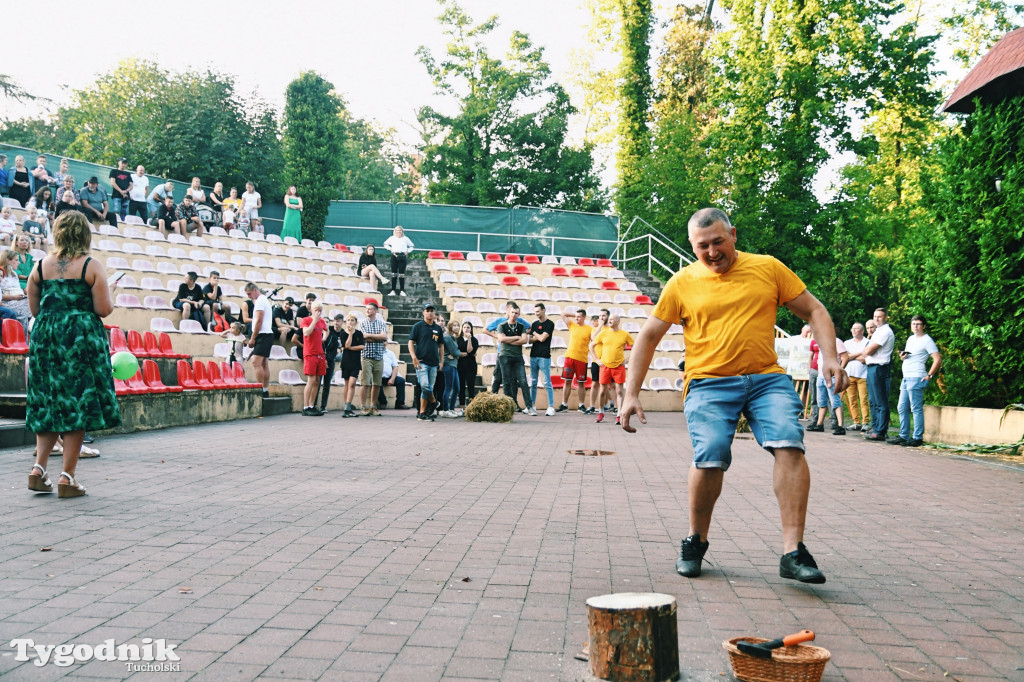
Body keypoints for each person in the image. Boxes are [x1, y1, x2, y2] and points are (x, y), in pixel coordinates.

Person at [620, 207, 847, 584]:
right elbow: (647, 336)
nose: (711, 252)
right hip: (709, 382)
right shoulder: (681, 282)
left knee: (789, 443)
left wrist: (831, 358)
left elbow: (814, 310)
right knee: (710, 455)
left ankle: (793, 552)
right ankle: (696, 540)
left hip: (765, 380)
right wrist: (631, 394)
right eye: (702, 246)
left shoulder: (768, 268)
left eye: (718, 242)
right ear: (693, 246)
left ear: (734, 235)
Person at [26, 210, 121, 499]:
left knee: (48, 401)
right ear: (84, 235)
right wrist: (112, 293)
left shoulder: (40, 266)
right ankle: (67, 477)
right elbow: (103, 310)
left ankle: (38, 470)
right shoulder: (91, 265)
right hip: (80, 338)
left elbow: (35, 310)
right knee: (78, 400)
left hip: (46, 337)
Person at [889, 315, 941, 447]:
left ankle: (917, 437)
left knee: (915, 408)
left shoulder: (927, 340)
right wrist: (902, 357)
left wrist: (929, 375)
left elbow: (937, 359)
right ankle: (903, 435)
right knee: (901, 407)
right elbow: (910, 357)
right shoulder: (911, 339)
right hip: (906, 377)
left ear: (924, 326)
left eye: (918, 324)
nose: (915, 326)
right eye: (913, 324)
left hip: (917, 376)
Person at [852, 308, 895, 441]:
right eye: (875, 316)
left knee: (880, 400)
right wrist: (861, 354)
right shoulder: (878, 331)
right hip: (871, 367)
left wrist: (851, 356)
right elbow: (865, 353)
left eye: (880, 317)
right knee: (873, 401)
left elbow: (869, 350)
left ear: (886, 317)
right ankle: (875, 428)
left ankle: (881, 431)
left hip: (879, 368)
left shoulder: (885, 331)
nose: (877, 319)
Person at [590, 313, 634, 425]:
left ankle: (619, 414)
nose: (609, 321)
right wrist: (596, 359)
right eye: (609, 319)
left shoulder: (624, 334)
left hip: (619, 367)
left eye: (612, 319)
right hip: (604, 366)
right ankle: (601, 412)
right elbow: (591, 345)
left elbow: (636, 346)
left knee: (619, 391)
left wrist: (628, 359)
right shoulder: (603, 333)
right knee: (602, 391)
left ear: (618, 321)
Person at [496, 303, 537, 416]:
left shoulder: (521, 326)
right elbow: (501, 339)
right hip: (504, 356)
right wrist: (516, 337)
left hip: (517, 357)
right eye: (512, 312)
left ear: (519, 314)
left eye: (516, 313)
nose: (514, 315)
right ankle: (507, 407)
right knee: (506, 382)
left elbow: (524, 340)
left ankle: (529, 407)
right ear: (509, 312)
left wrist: (508, 339)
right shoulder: (502, 325)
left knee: (523, 381)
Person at [806, 336, 849, 435]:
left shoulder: (837, 341)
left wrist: (839, 370)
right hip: (821, 375)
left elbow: (845, 357)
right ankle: (819, 424)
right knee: (821, 401)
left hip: (832, 376)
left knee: (835, 401)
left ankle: (840, 426)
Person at [409, 303, 444, 421]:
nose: (430, 313)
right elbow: (410, 342)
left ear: (434, 314)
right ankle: (434, 401)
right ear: (423, 313)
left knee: (428, 388)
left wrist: (441, 361)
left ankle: (422, 413)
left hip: (434, 363)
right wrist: (413, 357)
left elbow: (441, 346)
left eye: (432, 311)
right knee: (425, 385)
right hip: (421, 362)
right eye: (427, 310)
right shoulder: (418, 326)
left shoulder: (438, 328)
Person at [555, 309, 593, 412]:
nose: (576, 318)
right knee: (567, 381)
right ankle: (564, 405)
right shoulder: (572, 324)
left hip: (582, 359)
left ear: (584, 317)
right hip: (570, 358)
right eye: (575, 317)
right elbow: (562, 313)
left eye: (579, 317)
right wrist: (575, 314)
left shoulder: (590, 329)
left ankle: (581, 405)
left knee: (581, 383)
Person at [358, 301, 388, 416]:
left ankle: (373, 406)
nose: (367, 310)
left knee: (377, 384)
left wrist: (370, 336)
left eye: (370, 309)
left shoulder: (381, 323)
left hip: (378, 356)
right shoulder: (362, 323)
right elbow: (363, 338)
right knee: (365, 383)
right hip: (366, 356)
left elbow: (384, 336)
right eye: (367, 309)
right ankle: (363, 406)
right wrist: (378, 338)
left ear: (375, 311)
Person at [245, 282, 273, 397]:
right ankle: (264, 390)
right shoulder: (263, 300)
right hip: (266, 334)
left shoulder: (260, 301)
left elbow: (259, 321)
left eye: (249, 293)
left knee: (256, 362)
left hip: (263, 334)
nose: (248, 296)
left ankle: (259, 390)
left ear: (255, 290)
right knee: (264, 363)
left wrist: (253, 338)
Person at [300, 302, 328, 416]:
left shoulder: (322, 321)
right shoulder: (306, 320)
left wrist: (324, 338)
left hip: (319, 353)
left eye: (320, 310)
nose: (318, 312)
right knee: (311, 380)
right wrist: (314, 321)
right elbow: (306, 332)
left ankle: (312, 405)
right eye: (316, 309)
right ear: (312, 310)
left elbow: (326, 330)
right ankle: (305, 406)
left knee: (317, 381)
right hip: (310, 353)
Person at [529, 303, 556, 416]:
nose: (536, 313)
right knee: (534, 382)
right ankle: (531, 405)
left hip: (544, 357)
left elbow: (542, 338)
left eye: (538, 311)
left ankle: (550, 406)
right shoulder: (534, 324)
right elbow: (530, 340)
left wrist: (534, 332)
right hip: (533, 355)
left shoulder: (550, 324)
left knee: (546, 382)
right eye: (535, 312)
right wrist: (537, 336)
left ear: (544, 310)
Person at [843, 322, 870, 431]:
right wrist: (859, 353)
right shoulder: (847, 343)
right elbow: (845, 357)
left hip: (863, 375)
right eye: (853, 328)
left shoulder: (867, 342)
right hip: (850, 374)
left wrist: (851, 356)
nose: (854, 330)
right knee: (852, 399)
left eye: (857, 329)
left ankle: (865, 422)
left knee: (863, 399)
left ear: (862, 331)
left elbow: (865, 358)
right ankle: (856, 422)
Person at [339, 314, 365, 418]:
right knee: (346, 384)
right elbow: (346, 345)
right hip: (346, 361)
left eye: (352, 320)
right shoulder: (343, 333)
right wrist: (350, 334)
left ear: (356, 322)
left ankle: (348, 406)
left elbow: (362, 346)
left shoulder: (359, 333)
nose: (350, 322)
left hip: (355, 361)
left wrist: (350, 348)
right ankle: (347, 407)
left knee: (352, 383)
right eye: (348, 320)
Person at [320, 314, 345, 413]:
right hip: (321, 358)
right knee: (317, 384)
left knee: (326, 384)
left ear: (342, 322)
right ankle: (312, 405)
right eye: (334, 321)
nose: (335, 323)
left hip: (331, 359)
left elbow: (337, 348)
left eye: (338, 321)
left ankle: (323, 406)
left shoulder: (340, 334)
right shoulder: (325, 331)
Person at [0, 250, 32, 327]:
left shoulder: (14, 273)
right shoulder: (0, 274)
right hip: (7, 302)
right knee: (30, 305)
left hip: (18, 300)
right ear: (8, 260)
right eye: (16, 260)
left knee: (35, 303)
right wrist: (14, 297)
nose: (19, 262)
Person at [438, 320, 463, 417]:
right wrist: (457, 354)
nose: (457, 327)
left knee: (457, 388)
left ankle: (452, 409)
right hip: (448, 365)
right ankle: (445, 410)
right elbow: (456, 353)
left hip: (454, 364)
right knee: (448, 388)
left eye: (458, 325)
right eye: (454, 326)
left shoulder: (453, 338)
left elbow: (456, 353)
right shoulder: (448, 337)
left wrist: (456, 354)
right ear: (450, 327)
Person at [586, 311, 610, 413]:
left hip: (608, 361)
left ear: (608, 317)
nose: (601, 317)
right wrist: (600, 325)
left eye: (603, 316)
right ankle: (592, 406)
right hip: (597, 360)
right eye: (600, 316)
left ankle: (610, 405)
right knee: (595, 383)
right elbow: (593, 339)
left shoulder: (610, 330)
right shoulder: (595, 329)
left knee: (609, 384)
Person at [383, 225, 414, 296]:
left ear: (402, 231)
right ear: (395, 231)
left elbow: (412, 246)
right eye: (397, 230)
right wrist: (390, 249)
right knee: (394, 274)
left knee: (401, 274)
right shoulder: (392, 238)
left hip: (402, 256)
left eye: (400, 230)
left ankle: (402, 291)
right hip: (394, 256)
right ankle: (393, 290)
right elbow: (385, 244)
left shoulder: (406, 238)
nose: (399, 232)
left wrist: (408, 251)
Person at [457, 320, 480, 408]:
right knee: (461, 387)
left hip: (471, 366)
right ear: (462, 329)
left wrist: (469, 338)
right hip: (460, 366)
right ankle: (462, 406)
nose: (466, 329)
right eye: (465, 327)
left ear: (471, 329)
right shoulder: (458, 339)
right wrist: (465, 354)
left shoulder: (474, 340)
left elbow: (470, 350)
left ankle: (471, 407)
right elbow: (457, 352)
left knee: (471, 386)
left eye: (468, 327)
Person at [801, 324, 817, 418]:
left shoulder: (813, 341)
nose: (808, 334)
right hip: (796, 371)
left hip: (810, 369)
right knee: (795, 390)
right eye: (807, 331)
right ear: (802, 329)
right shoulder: (795, 339)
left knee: (807, 391)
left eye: (810, 332)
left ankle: (802, 410)